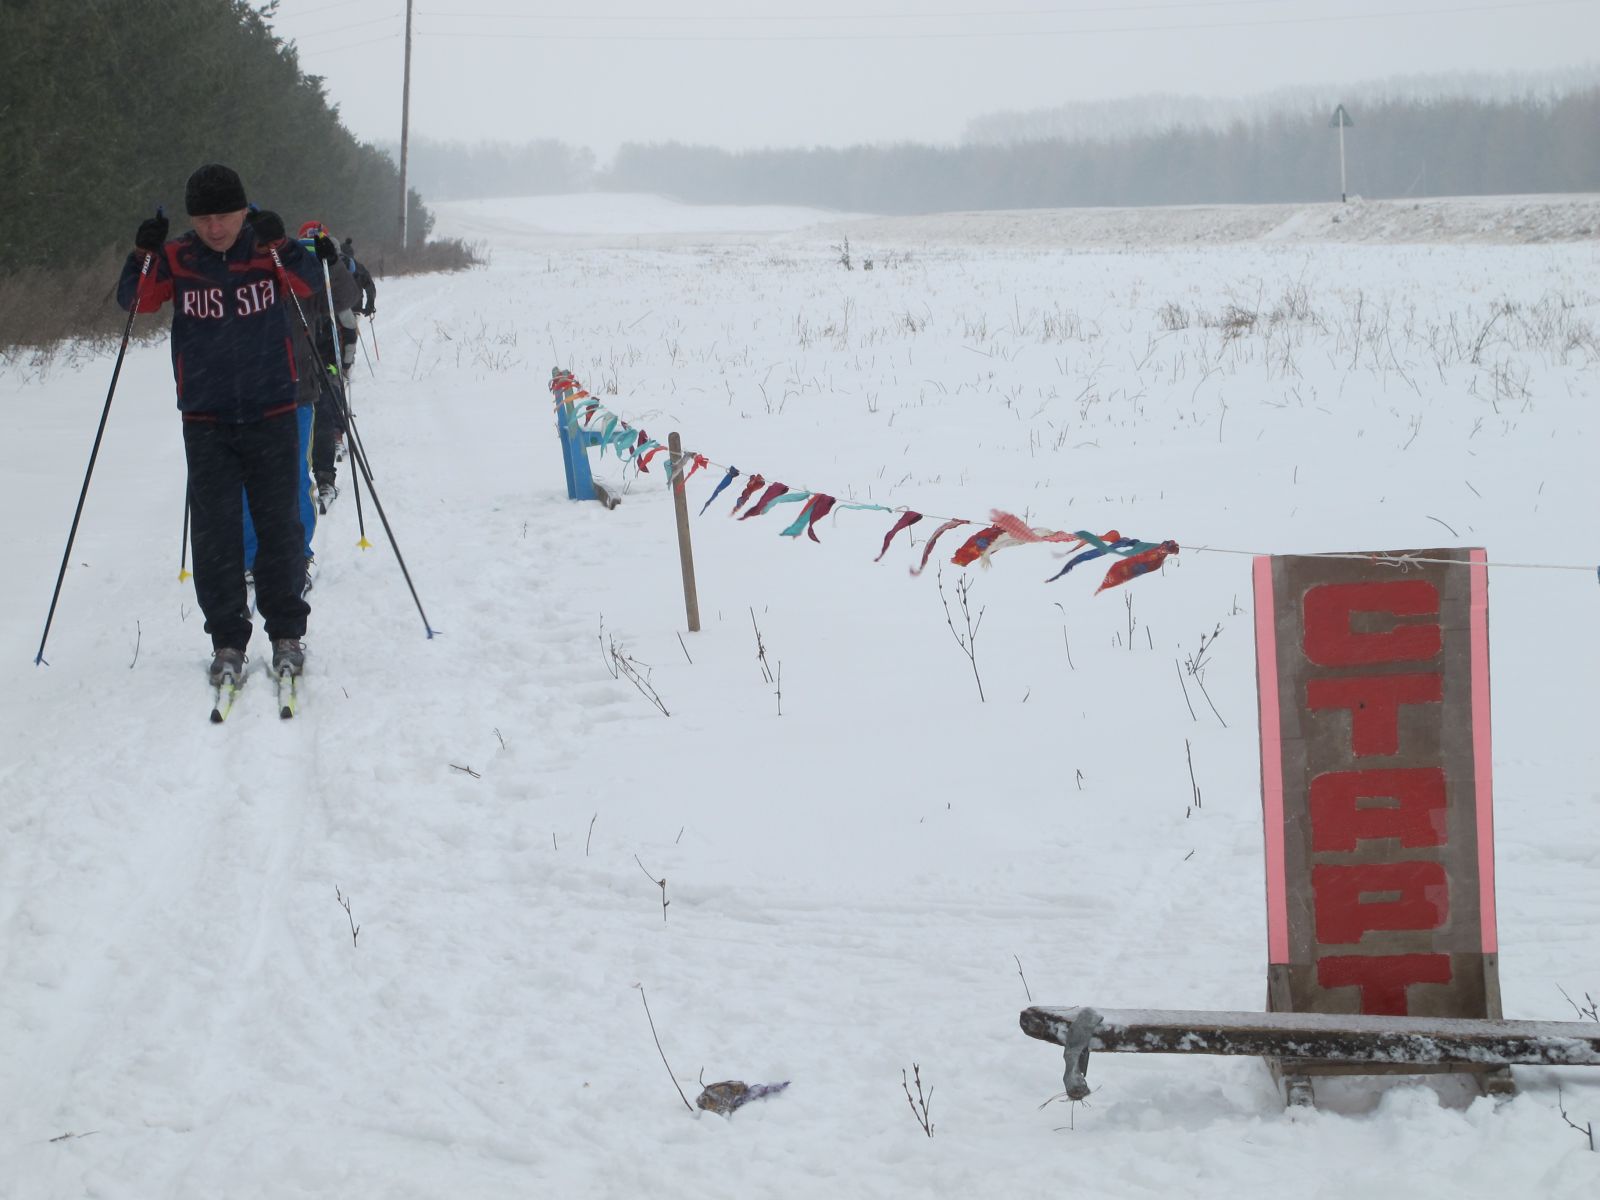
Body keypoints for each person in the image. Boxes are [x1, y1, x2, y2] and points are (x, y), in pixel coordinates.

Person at [118, 163, 330, 684]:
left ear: (242, 210)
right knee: (215, 534)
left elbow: (309, 285)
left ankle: (287, 633)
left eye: (225, 216)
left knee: (280, 527)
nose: (215, 228)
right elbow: (136, 300)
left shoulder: (266, 249)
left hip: (272, 410)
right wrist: (143, 254)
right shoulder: (179, 257)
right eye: (204, 218)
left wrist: (285, 244)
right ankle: (227, 640)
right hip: (206, 416)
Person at [300, 221, 362, 507]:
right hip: (299, 367)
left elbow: (348, 316)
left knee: (324, 415)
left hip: (324, 364)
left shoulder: (333, 269)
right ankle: (317, 479)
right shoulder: (289, 273)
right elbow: (349, 326)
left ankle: (325, 478)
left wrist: (344, 362)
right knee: (314, 421)